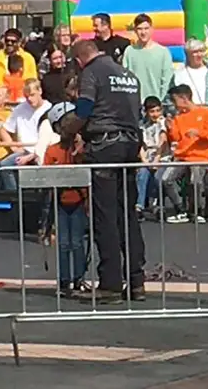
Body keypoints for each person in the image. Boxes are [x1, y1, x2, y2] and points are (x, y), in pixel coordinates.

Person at [65, 39, 145, 304]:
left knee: (105, 216)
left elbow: (85, 109)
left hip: (105, 146)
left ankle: (110, 283)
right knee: (128, 214)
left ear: (79, 60)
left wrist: (67, 128)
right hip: (131, 145)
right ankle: (136, 281)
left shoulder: (91, 72)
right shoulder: (128, 75)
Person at [43, 102, 88, 298]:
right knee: (62, 243)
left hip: (79, 201)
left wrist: (79, 153)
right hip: (59, 202)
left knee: (77, 242)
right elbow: (46, 175)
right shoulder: (52, 151)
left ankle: (78, 278)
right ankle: (63, 281)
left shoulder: (82, 149)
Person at [159, 84, 208, 224]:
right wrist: (170, 128)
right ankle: (181, 209)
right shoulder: (179, 117)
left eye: (175, 101)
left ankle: (195, 211)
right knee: (166, 179)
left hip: (200, 156)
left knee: (195, 181)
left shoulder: (206, 113)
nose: (175, 105)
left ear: (184, 98)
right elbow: (176, 138)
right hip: (182, 156)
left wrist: (198, 133)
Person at [0, 79, 53, 190]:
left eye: (32, 95)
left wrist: (32, 155)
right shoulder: (20, 108)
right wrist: (14, 147)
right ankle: (13, 197)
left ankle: (18, 198)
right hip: (24, 150)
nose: (29, 99)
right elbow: (3, 129)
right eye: (26, 96)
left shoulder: (49, 109)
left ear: (40, 91)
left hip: (43, 150)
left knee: (5, 166)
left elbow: (49, 139)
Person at [122, 13, 175, 102]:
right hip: (135, 103)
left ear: (151, 29)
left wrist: (160, 102)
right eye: (139, 29)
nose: (143, 32)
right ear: (135, 30)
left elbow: (167, 81)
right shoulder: (129, 51)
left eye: (146, 28)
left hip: (156, 105)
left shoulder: (163, 52)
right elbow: (125, 78)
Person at [166, 39, 208, 107]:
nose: (199, 55)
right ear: (188, 54)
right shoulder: (179, 72)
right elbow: (170, 96)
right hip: (186, 113)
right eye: (195, 52)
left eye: (201, 51)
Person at [136, 96, 169, 220]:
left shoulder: (162, 122)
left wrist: (156, 160)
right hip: (148, 156)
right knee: (142, 174)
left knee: (157, 176)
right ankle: (140, 205)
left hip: (162, 157)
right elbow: (141, 146)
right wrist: (145, 161)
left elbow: (163, 142)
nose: (155, 114)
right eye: (152, 111)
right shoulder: (142, 125)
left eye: (157, 110)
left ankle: (158, 204)